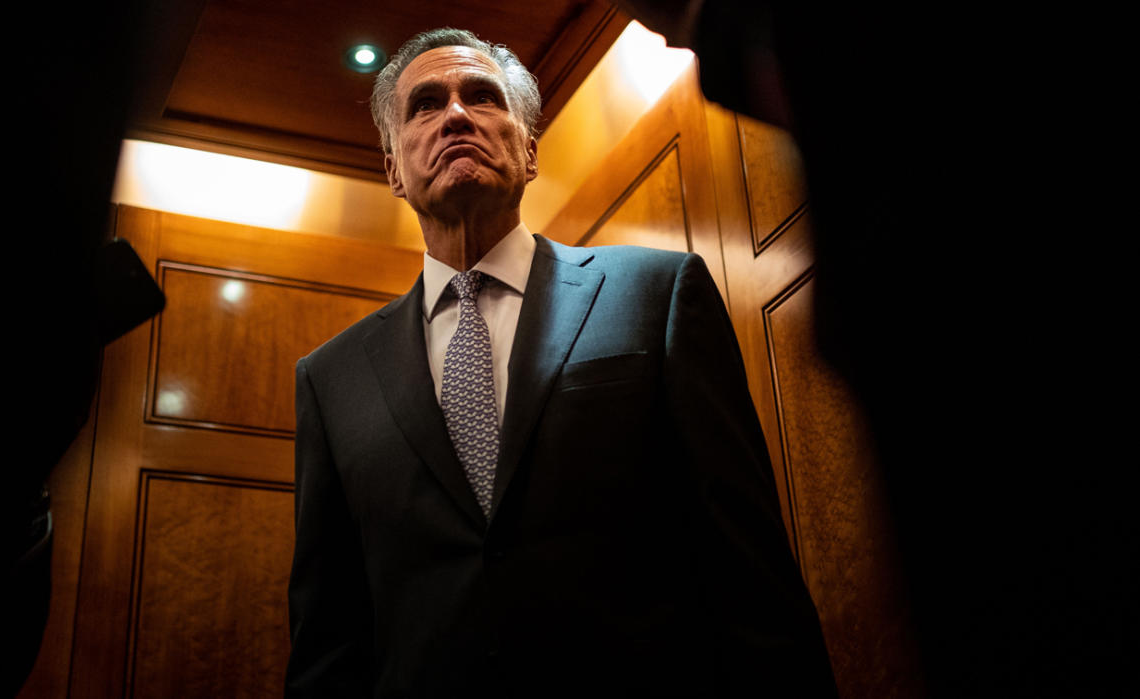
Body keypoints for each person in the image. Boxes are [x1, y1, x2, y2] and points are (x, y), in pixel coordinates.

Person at [286, 27, 836, 698]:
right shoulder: (331, 378)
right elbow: (329, 637)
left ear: (530, 150)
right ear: (393, 169)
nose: (456, 114)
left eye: (482, 96)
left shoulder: (657, 294)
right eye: (426, 104)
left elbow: (750, 574)